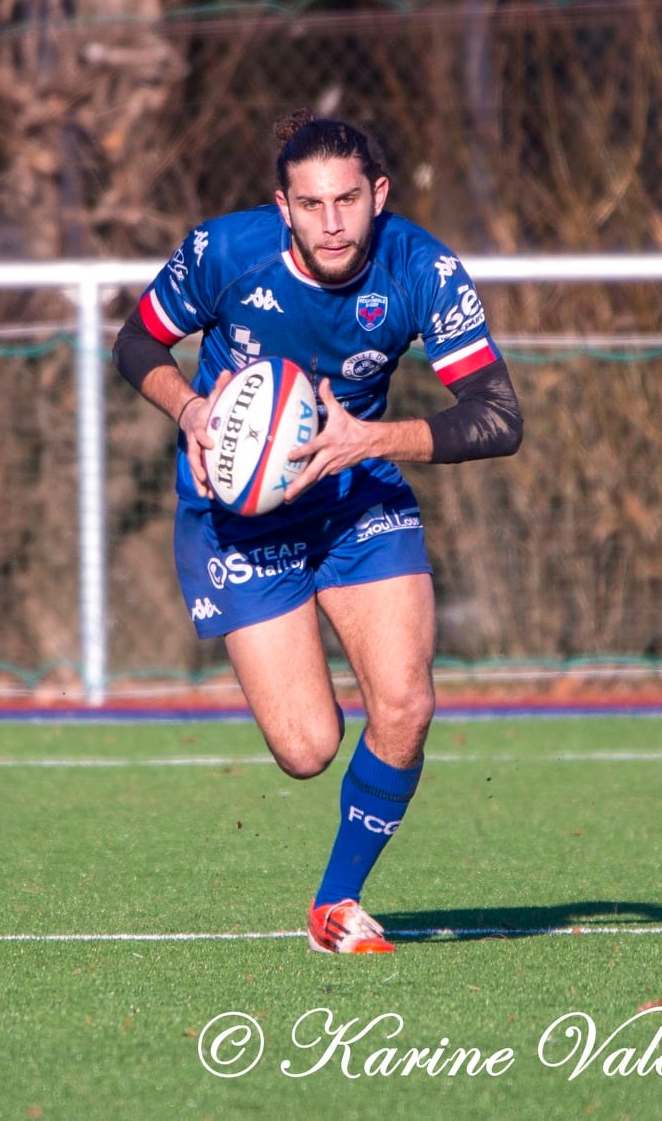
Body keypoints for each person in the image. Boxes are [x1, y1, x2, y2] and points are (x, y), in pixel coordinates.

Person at [112, 109, 523, 954]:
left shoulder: (423, 269)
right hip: (239, 514)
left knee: (405, 705)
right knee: (307, 749)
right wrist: (191, 407)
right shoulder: (225, 252)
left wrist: (371, 440)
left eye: (347, 200)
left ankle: (335, 906)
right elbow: (135, 342)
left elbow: (499, 417)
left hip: (356, 491)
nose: (331, 223)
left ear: (378, 195)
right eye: (310, 204)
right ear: (283, 205)